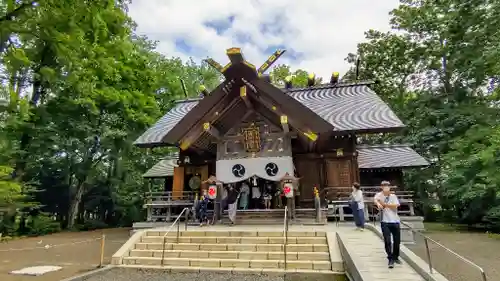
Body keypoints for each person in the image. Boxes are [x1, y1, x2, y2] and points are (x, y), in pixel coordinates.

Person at [374, 181, 401, 268]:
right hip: (385, 221)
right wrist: (378, 203)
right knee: (387, 240)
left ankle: (396, 256)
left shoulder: (393, 196)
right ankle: (390, 258)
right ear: (381, 187)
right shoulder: (379, 195)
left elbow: (396, 206)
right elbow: (375, 200)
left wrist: (385, 204)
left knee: (397, 241)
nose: (386, 187)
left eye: (387, 186)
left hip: (395, 221)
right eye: (384, 186)